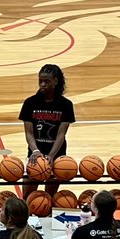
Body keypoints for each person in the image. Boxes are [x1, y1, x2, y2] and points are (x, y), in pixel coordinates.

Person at [20, 64, 75, 197]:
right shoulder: (30, 103)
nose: (42, 84)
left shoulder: (66, 105)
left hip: (57, 155)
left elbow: (61, 134)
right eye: (40, 81)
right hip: (35, 155)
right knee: (28, 196)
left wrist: (51, 155)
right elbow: (29, 133)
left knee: (48, 198)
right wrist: (36, 151)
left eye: (47, 81)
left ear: (55, 81)